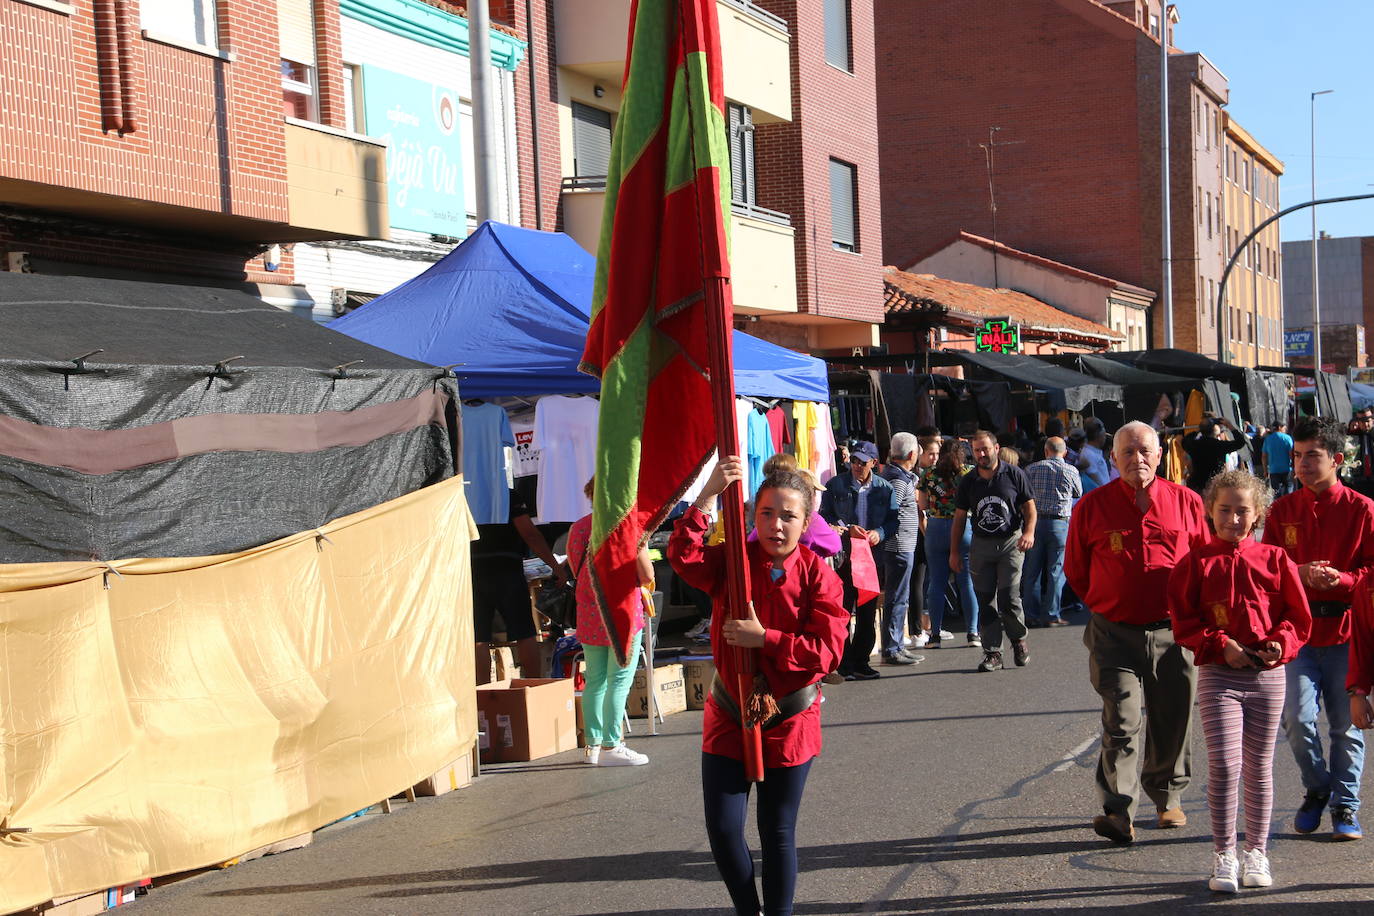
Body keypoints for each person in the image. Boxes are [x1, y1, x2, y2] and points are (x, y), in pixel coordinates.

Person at [669, 457, 848, 916]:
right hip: (729, 711)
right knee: (725, 830)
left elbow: (826, 652)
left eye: (788, 516)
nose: (776, 525)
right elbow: (683, 556)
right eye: (767, 513)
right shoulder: (732, 563)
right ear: (752, 516)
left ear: (806, 523)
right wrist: (708, 492)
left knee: (778, 831)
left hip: (790, 718)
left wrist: (764, 638)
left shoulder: (820, 575)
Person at [1065, 420, 1209, 845]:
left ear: (1160, 455)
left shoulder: (1187, 502)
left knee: (1173, 719)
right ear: (1113, 458)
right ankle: (1118, 809)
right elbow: (1076, 570)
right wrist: (1110, 603)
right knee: (1121, 721)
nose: (1137, 459)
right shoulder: (1091, 507)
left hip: (1175, 632)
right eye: (1127, 452)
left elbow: (1204, 564)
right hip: (1115, 634)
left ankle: (1167, 798)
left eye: (1145, 451)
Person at [1168, 470, 1312, 893]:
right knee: (1226, 764)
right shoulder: (1194, 563)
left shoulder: (1275, 558)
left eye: (1242, 511)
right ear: (1210, 512)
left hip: (1268, 677)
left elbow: (1296, 617)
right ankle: (1223, 854)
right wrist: (1219, 644)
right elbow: (1184, 622)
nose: (1233, 519)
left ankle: (1258, 852)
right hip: (1218, 675)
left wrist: (1279, 644)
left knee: (1259, 766)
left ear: (1258, 514)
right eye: (1224, 510)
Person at [1262, 416, 1374, 841]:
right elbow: (1268, 568)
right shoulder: (1282, 510)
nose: (1303, 464)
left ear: (1338, 460)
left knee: (1346, 727)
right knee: (1296, 718)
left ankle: (1346, 806)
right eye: (1297, 456)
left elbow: (1372, 572)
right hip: (1299, 632)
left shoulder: (1363, 510)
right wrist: (1299, 573)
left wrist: (1344, 581)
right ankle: (1317, 788)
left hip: (1347, 631)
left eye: (1313, 456)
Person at [566, 477, 654, 766]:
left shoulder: (577, 528)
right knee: (619, 680)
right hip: (622, 612)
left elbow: (574, 566)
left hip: (590, 611)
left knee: (595, 680)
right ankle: (612, 744)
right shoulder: (628, 527)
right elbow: (647, 575)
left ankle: (592, 746)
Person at [951, 430, 1036, 672]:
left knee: (1009, 597)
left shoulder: (1014, 475)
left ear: (996, 448)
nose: (981, 454)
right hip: (981, 545)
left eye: (985, 449)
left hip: (1011, 542)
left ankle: (1018, 640)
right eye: (976, 450)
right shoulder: (969, 481)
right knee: (985, 600)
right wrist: (954, 552)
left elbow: (1030, 508)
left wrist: (1029, 533)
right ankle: (992, 653)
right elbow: (959, 518)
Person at [819, 441, 898, 680]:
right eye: (853, 460)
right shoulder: (836, 484)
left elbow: (894, 521)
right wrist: (845, 528)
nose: (856, 465)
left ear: (874, 463)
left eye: (862, 462)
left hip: (870, 558)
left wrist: (879, 533)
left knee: (866, 610)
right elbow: (826, 516)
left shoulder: (885, 488)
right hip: (843, 555)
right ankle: (844, 662)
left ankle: (861, 661)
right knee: (842, 609)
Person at [472, 487, 566, 685]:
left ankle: (481, 695)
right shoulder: (506, 495)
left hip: (474, 570)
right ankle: (533, 685)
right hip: (508, 571)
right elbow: (530, 535)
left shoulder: (464, 494)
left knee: (478, 637)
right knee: (524, 632)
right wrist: (556, 566)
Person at [918, 439, 980, 649]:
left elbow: (923, 504)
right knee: (966, 582)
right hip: (963, 526)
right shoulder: (968, 473)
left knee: (936, 582)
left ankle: (935, 634)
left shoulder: (928, 474)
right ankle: (972, 632)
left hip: (936, 527)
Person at [1023, 436, 1082, 628]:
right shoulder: (1070, 470)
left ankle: (1030, 613)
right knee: (1056, 571)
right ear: (1064, 452)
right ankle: (1051, 614)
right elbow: (1078, 493)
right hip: (1059, 524)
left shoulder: (1031, 469)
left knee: (1032, 570)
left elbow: (1024, 494)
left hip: (1035, 522)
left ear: (1046, 450)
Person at [878, 432, 924, 666]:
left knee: (899, 597)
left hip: (901, 545)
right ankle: (892, 648)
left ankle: (896, 645)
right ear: (911, 454)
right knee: (897, 597)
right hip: (898, 546)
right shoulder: (898, 479)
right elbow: (891, 513)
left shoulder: (898, 476)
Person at [1183, 416, 1248, 494]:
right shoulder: (1219, 446)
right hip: (1213, 484)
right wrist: (1229, 425)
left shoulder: (1194, 445)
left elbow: (1185, 441)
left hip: (1197, 483)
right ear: (1214, 431)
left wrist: (1200, 428)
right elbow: (1240, 442)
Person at [1261, 421, 1294, 497]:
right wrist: (1294, 467)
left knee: (1276, 493)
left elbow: (1264, 456)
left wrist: (1265, 470)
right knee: (1289, 490)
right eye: (1283, 427)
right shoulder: (1287, 438)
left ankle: (1279, 507)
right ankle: (1289, 506)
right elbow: (1291, 454)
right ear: (1280, 427)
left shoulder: (1268, 439)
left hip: (1273, 470)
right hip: (1287, 469)